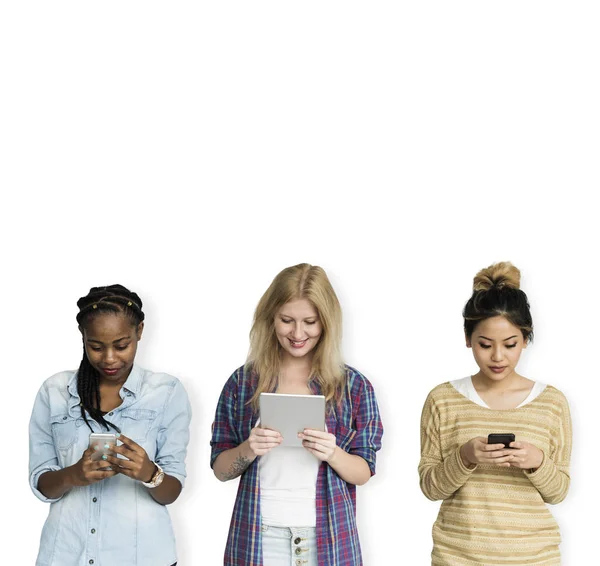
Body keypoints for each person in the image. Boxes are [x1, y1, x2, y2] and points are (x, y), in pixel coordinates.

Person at [210, 263, 383, 566]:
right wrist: (249, 448)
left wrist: (332, 453)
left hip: (328, 539)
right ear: (270, 319)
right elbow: (221, 470)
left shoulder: (353, 386)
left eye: (310, 322)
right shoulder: (243, 383)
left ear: (326, 323)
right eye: (287, 320)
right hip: (258, 537)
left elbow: (364, 471)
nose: (298, 333)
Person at [419, 262, 572, 565]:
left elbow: (559, 492)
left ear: (525, 340)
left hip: (534, 558)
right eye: (485, 344)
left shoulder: (552, 403)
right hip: (457, 557)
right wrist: (464, 457)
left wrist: (537, 462)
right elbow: (430, 487)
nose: (498, 356)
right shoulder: (442, 400)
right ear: (468, 339)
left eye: (510, 344)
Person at [29, 285, 191, 566]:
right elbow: (42, 483)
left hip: (143, 557)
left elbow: (172, 491)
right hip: (67, 554)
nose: (110, 358)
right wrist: (73, 475)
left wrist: (149, 473)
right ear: (83, 337)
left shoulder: (167, 392)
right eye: (96, 346)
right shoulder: (53, 392)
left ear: (139, 331)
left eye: (121, 345)